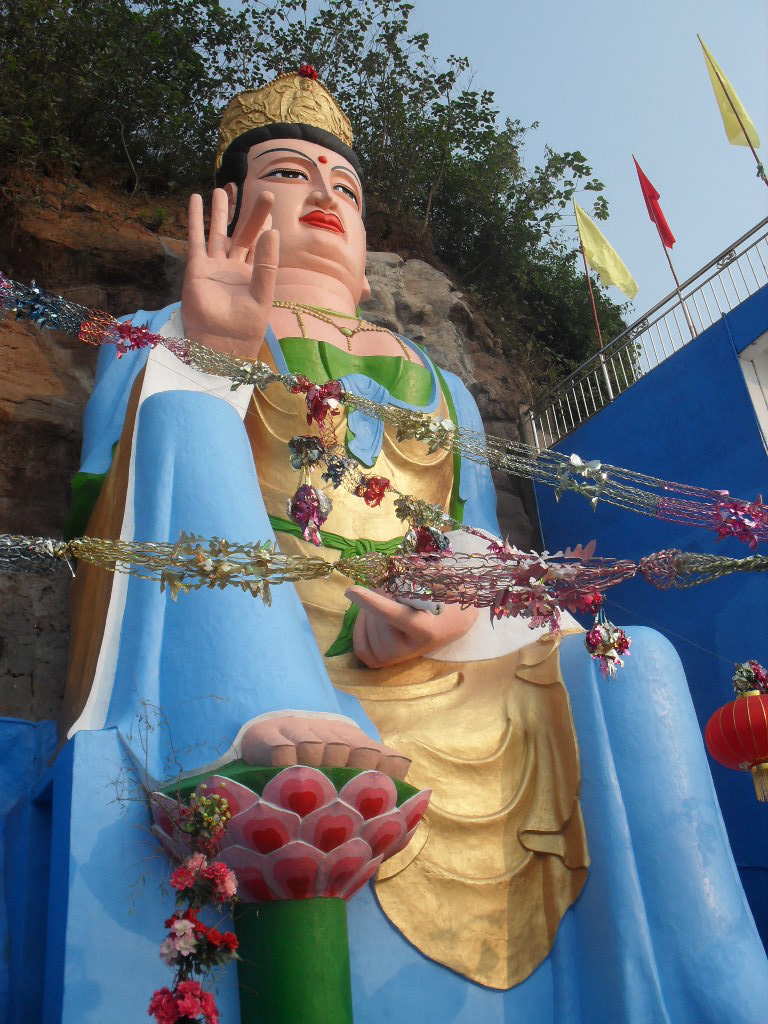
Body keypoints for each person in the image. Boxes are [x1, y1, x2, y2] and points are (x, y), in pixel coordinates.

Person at [55, 68, 768, 1021]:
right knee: (183, 417)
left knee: (632, 665)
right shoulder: (157, 327)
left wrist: (452, 612)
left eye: (344, 190)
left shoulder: (436, 378)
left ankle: (704, 982)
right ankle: (261, 714)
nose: (323, 200)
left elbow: (471, 535)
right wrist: (208, 354)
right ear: (231, 204)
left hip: (413, 650)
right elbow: (117, 508)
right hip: (237, 632)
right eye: (289, 174)